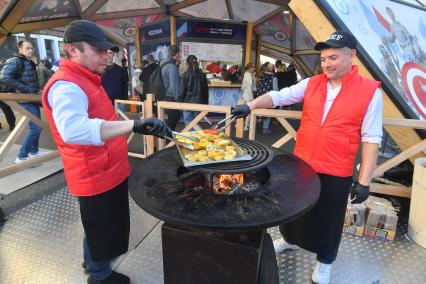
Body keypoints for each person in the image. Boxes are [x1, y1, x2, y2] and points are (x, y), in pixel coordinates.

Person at [232, 31, 382, 284]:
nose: (327, 64)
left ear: (351, 55)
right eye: (323, 59)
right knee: (294, 209)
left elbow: (371, 139)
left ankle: (325, 262)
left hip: (337, 168)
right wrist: (250, 106)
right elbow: (280, 97)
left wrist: (364, 181)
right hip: (302, 163)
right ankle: (290, 240)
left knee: (329, 217)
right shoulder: (312, 83)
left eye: (333, 57)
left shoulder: (370, 92)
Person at [41, 20, 171, 284]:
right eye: (98, 49)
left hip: (108, 168)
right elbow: (73, 130)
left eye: (107, 50)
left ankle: (93, 263)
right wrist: (135, 124)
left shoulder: (86, 77)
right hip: (93, 174)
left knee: (104, 225)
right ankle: (99, 276)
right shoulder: (66, 85)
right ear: (72, 50)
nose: (106, 55)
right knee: (100, 228)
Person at [1, 39, 42, 164]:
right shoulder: (16, 61)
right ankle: (22, 156)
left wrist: (36, 90)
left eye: (32, 48)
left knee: (37, 126)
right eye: (27, 48)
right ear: (20, 49)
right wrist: (27, 89)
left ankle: (34, 152)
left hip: (31, 98)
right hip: (24, 99)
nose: (31, 50)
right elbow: (4, 77)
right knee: (35, 128)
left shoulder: (29, 62)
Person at [178, 55, 209, 126]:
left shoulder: (185, 75)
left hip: (187, 103)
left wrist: (179, 103)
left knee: (188, 124)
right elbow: (205, 92)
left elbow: (182, 92)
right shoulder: (202, 75)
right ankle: (194, 136)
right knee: (196, 124)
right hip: (199, 102)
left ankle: (189, 137)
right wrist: (206, 105)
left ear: (187, 64)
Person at [159, 45, 181, 130]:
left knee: (170, 119)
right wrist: (178, 101)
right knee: (175, 118)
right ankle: (168, 139)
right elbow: (174, 85)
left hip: (163, 95)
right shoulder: (172, 66)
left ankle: (168, 138)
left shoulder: (162, 62)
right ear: (177, 54)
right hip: (170, 97)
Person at [257, 63, 278, 134]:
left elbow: (258, 85)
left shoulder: (261, 76)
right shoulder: (274, 78)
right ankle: (265, 128)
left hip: (260, 95)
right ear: (273, 69)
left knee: (258, 110)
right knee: (268, 112)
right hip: (269, 97)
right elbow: (275, 90)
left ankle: (252, 126)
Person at [240, 63, 256, 131]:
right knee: (249, 111)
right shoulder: (248, 76)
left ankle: (239, 124)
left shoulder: (246, 74)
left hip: (245, 94)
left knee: (244, 110)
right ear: (249, 68)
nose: (254, 68)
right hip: (248, 95)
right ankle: (246, 126)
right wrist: (252, 97)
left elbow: (243, 87)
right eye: (253, 67)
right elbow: (250, 88)